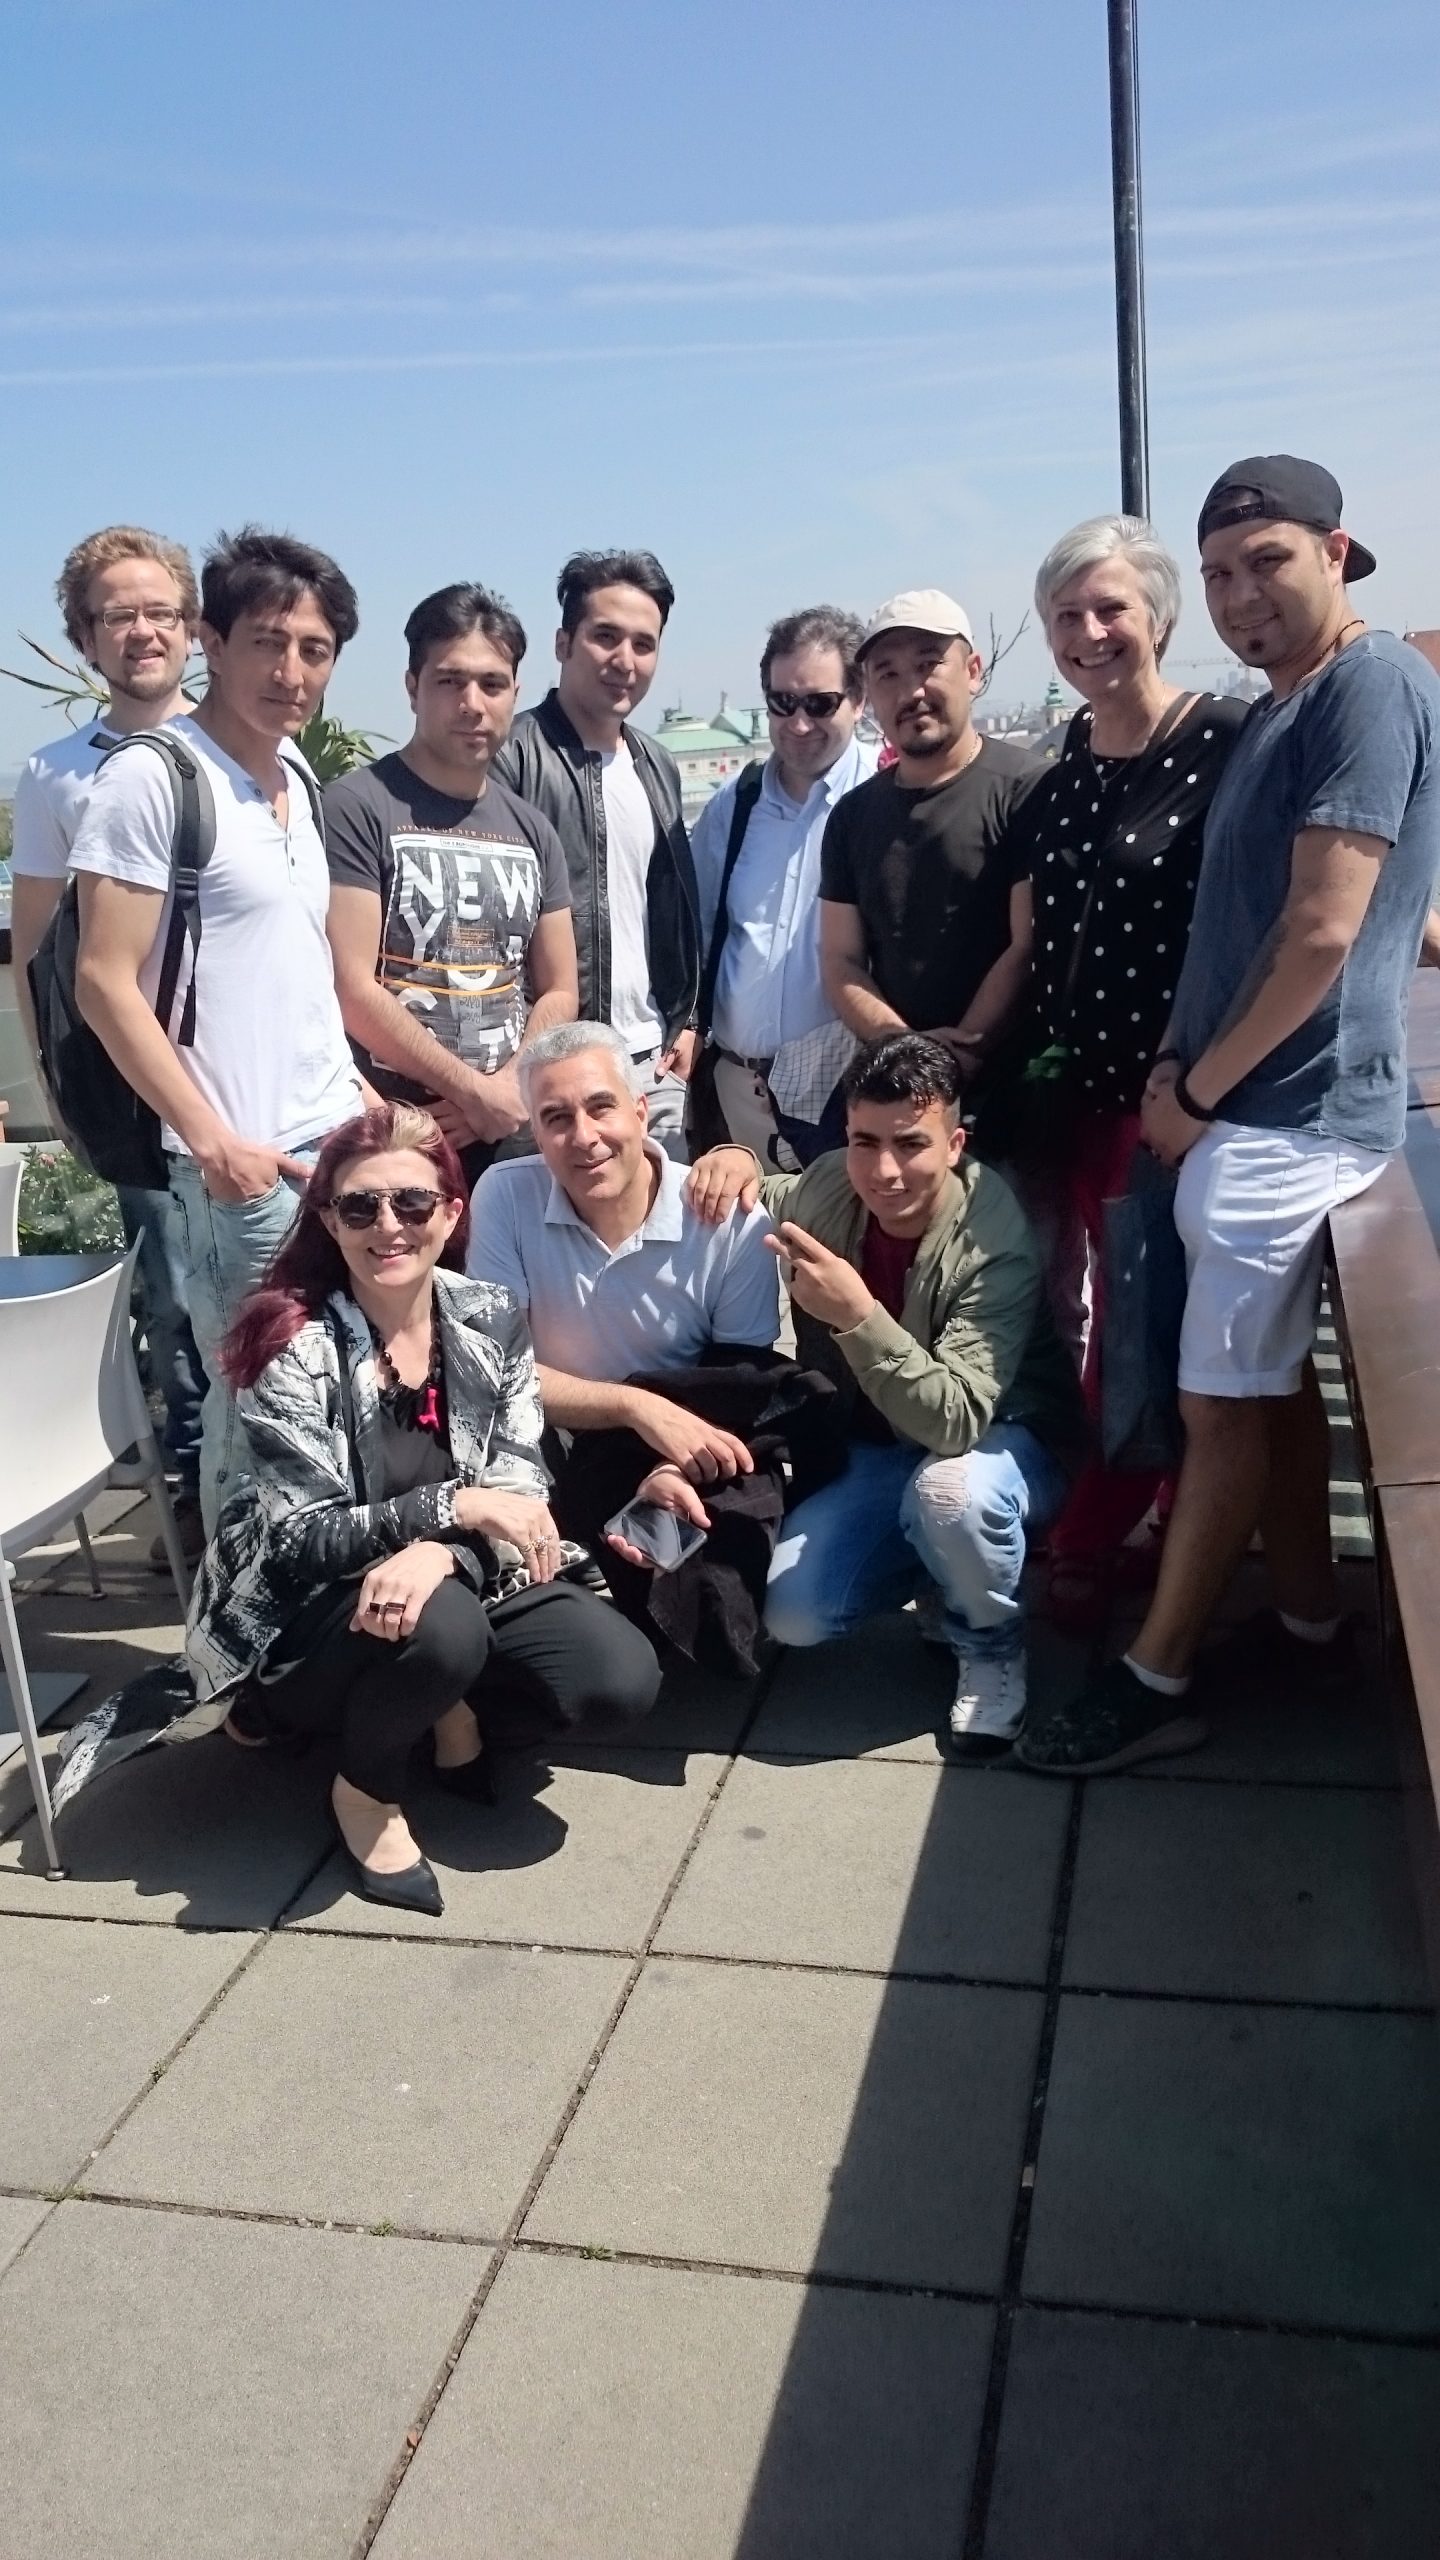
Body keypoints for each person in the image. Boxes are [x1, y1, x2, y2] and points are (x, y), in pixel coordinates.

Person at [1019, 455, 1440, 1776]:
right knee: (1269, 1394)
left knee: (1218, 1408)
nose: (1243, 594)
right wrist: (1179, 1066)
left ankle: (1154, 1677)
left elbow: (1322, 929)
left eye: (1268, 562)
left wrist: (1198, 1092)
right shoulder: (1290, 703)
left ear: (1337, 552)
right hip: (1238, 1112)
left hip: (1284, 1122)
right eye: (1220, 573)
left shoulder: (1371, 687)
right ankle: (1310, 1624)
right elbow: (1251, 922)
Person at [187, 1102, 659, 1917]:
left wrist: (444, 1548)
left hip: (453, 1576)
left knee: (617, 1679)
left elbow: (519, 1487)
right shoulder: (291, 1342)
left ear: (449, 1211)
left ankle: (444, 1699)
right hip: (309, 1609)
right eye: (360, 1206)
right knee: (444, 1629)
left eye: (411, 1202)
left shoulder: (488, 1316)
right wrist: (454, 1505)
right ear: (328, 1219)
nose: (388, 1226)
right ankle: (365, 1787)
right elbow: (302, 1539)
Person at [69, 526, 365, 1530]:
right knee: (255, 1433)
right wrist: (212, 1143)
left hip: (328, 1147)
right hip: (239, 1170)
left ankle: (329, 1619)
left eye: (315, 650)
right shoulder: (154, 778)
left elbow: (291, 959)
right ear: (212, 641)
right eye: (267, 643)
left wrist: (356, 1092)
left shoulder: (295, 778)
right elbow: (102, 981)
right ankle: (236, 1626)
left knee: (333, 1410)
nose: (291, 673)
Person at [690, 1034, 1086, 1757]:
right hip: (883, 1444)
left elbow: (958, 1422)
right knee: (796, 1613)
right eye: (864, 1142)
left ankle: (992, 1647)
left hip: (1007, 1439)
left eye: (910, 1144)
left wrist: (857, 1316)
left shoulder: (993, 1238)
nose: (884, 1171)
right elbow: (765, 1193)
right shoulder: (831, 1185)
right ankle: (945, 1575)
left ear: (956, 1144)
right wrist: (736, 1157)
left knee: (951, 1495)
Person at [1011, 514, 1247, 1632]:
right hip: (1072, 1095)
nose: (1089, 632)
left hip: (1175, 1101)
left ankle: (1104, 1531)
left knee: (1144, 1326)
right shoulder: (1062, 771)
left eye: (1111, 608)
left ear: (1159, 615)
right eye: (1066, 615)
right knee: (1091, 1321)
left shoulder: (1226, 740)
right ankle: (1138, 1514)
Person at [466, 1021, 794, 1668]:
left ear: (641, 1111)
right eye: (556, 1118)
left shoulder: (727, 1219)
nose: (584, 1136)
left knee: (712, 1613)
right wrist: (633, 1406)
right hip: (557, 1434)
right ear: (535, 1133)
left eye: (601, 1107)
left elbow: (741, 1385)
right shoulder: (505, 1194)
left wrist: (672, 1466)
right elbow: (495, 1372)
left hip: (691, 1431)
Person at [9, 524, 209, 1558]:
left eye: (160, 611)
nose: (143, 631)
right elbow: (38, 951)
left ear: (193, 627)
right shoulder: (55, 775)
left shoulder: (241, 751)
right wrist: (58, 1090)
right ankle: (194, 1491)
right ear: (86, 639)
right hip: (134, 1095)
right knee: (172, 1299)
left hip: (251, 1081)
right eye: (118, 615)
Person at [323, 582, 578, 1190]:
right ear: (412, 686)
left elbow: (560, 987)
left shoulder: (533, 830)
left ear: (515, 693)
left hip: (513, 1139)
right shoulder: (356, 807)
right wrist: (471, 1093)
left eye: (492, 684)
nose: (472, 704)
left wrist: (507, 1091)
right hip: (395, 1141)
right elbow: (350, 987)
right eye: (449, 681)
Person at [494, 550, 700, 1157]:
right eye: (605, 636)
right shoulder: (510, 757)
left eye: (644, 644)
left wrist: (689, 1020)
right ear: (563, 643)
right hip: (551, 1073)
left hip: (650, 1067)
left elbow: (671, 908)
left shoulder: (657, 764)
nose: (624, 660)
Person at [819, 590, 1034, 1154]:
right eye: (887, 674)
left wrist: (960, 1053)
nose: (910, 690)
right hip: (899, 1115)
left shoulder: (1028, 789)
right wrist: (908, 1050)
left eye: (928, 664)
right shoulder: (852, 817)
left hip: (1019, 1099)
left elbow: (1027, 944)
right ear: (868, 695)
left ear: (973, 670)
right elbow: (840, 959)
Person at [689, 605, 876, 1168]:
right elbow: (698, 933)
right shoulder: (734, 805)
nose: (798, 723)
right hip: (738, 1094)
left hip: (846, 1092)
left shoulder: (883, 796)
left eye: (819, 704)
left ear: (858, 699)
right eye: (782, 703)